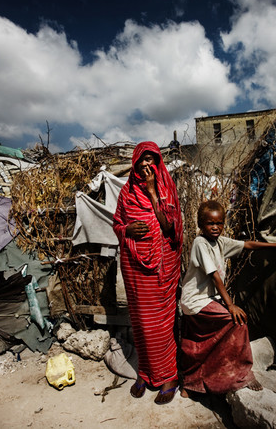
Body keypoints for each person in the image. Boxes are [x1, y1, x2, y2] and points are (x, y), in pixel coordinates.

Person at [179, 200, 276, 398]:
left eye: (219, 223)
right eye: (210, 223)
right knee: (237, 322)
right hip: (195, 301)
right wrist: (230, 305)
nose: (215, 227)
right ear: (201, 224)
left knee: (206, 343)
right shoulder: (200, 243)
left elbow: (247, 244)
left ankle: (196, 381)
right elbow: (214, 275)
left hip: (209, 299)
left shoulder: (220, 242)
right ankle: (241, 374)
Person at [113, 141, 183, 405]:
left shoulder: (166, 188)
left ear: (158, 162)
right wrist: (126, 231)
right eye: (142, 159)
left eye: (151, 159)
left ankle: (168, 377)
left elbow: (170, 229)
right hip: (133, 267)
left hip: (160, 269)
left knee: (160, 323)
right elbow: (117, 223)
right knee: (141, 322)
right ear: (135, 162)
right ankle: (145, 372)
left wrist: (153, 192)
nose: (146, 164)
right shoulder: (126, 192)